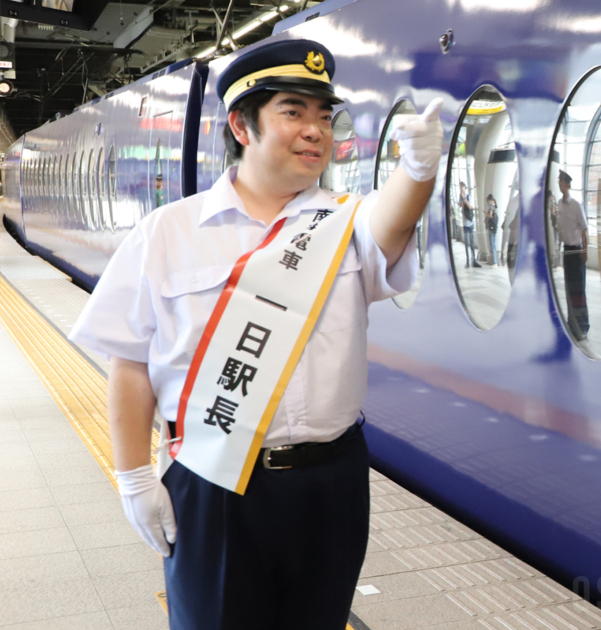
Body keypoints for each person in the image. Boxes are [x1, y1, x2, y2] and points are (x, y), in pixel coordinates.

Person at [69, 39, 443, 630]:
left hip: (332, 481)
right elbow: (130, 363)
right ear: (242, 126)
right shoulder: (168, 232)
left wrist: (418, 171)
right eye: (293, 112)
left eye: (325, 115)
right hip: (214, 476)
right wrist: (134, 478)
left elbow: (392, 219)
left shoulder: (342, 222)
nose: (315, 130)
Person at [556, 170, 589, 340]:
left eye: (561, 182)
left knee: (579, 290)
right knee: (569, 289)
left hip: (577, 251)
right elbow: (561, 230)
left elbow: (584, 230)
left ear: (568, 184)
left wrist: (585, 251)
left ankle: (582, 326)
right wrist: (559, 250)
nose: (559, 184)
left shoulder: (576, 205)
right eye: (558, 181)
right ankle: (571, 323)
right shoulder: (560, 205)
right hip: (567, 251)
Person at [459, 181, 480, 268]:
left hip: (470, 223)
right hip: (464, 223)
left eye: (462, 188)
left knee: (471, 243)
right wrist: (460, 199)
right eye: (460, 189)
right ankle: (467, 261)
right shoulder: (461, 197)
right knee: (466, 243)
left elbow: (470, 207)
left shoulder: (468, 196)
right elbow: (460, 205)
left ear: (465, 188)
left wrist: (464, 198)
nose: (461, 190)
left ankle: (473, 260)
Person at [485, 193, 499, 266]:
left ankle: (495, 262)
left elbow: (490, 216)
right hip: (494, 227)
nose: (488, 202)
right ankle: (495, 261)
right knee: (493, 243)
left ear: (491, 200)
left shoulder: (491, 206)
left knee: (493, 244)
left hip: (491, 227)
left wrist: (485, 213)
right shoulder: (495, 207)